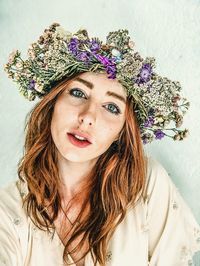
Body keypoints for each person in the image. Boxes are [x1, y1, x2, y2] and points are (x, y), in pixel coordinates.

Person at [1, 22, 200, 266]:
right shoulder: (8, 211)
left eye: (111, 107)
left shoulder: (147, 185)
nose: (87, 117)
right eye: (78, 93)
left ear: (121, 131)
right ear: (52, 104)